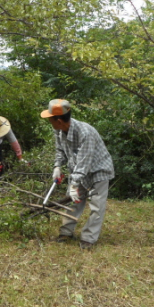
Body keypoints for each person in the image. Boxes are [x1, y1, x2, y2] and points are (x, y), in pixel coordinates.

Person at [40, 99, 114, 249]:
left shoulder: (85, 133)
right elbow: (60, 150)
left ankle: (88, 238)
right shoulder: (58, 130)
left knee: (97, 206)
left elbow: (84, 162)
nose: (49, 121)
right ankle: (66, 232)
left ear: (59, 120)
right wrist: (57, 166)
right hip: (78, 170)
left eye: (50, 119)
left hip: (98, 170)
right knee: (73, 200)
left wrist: (74, 184)